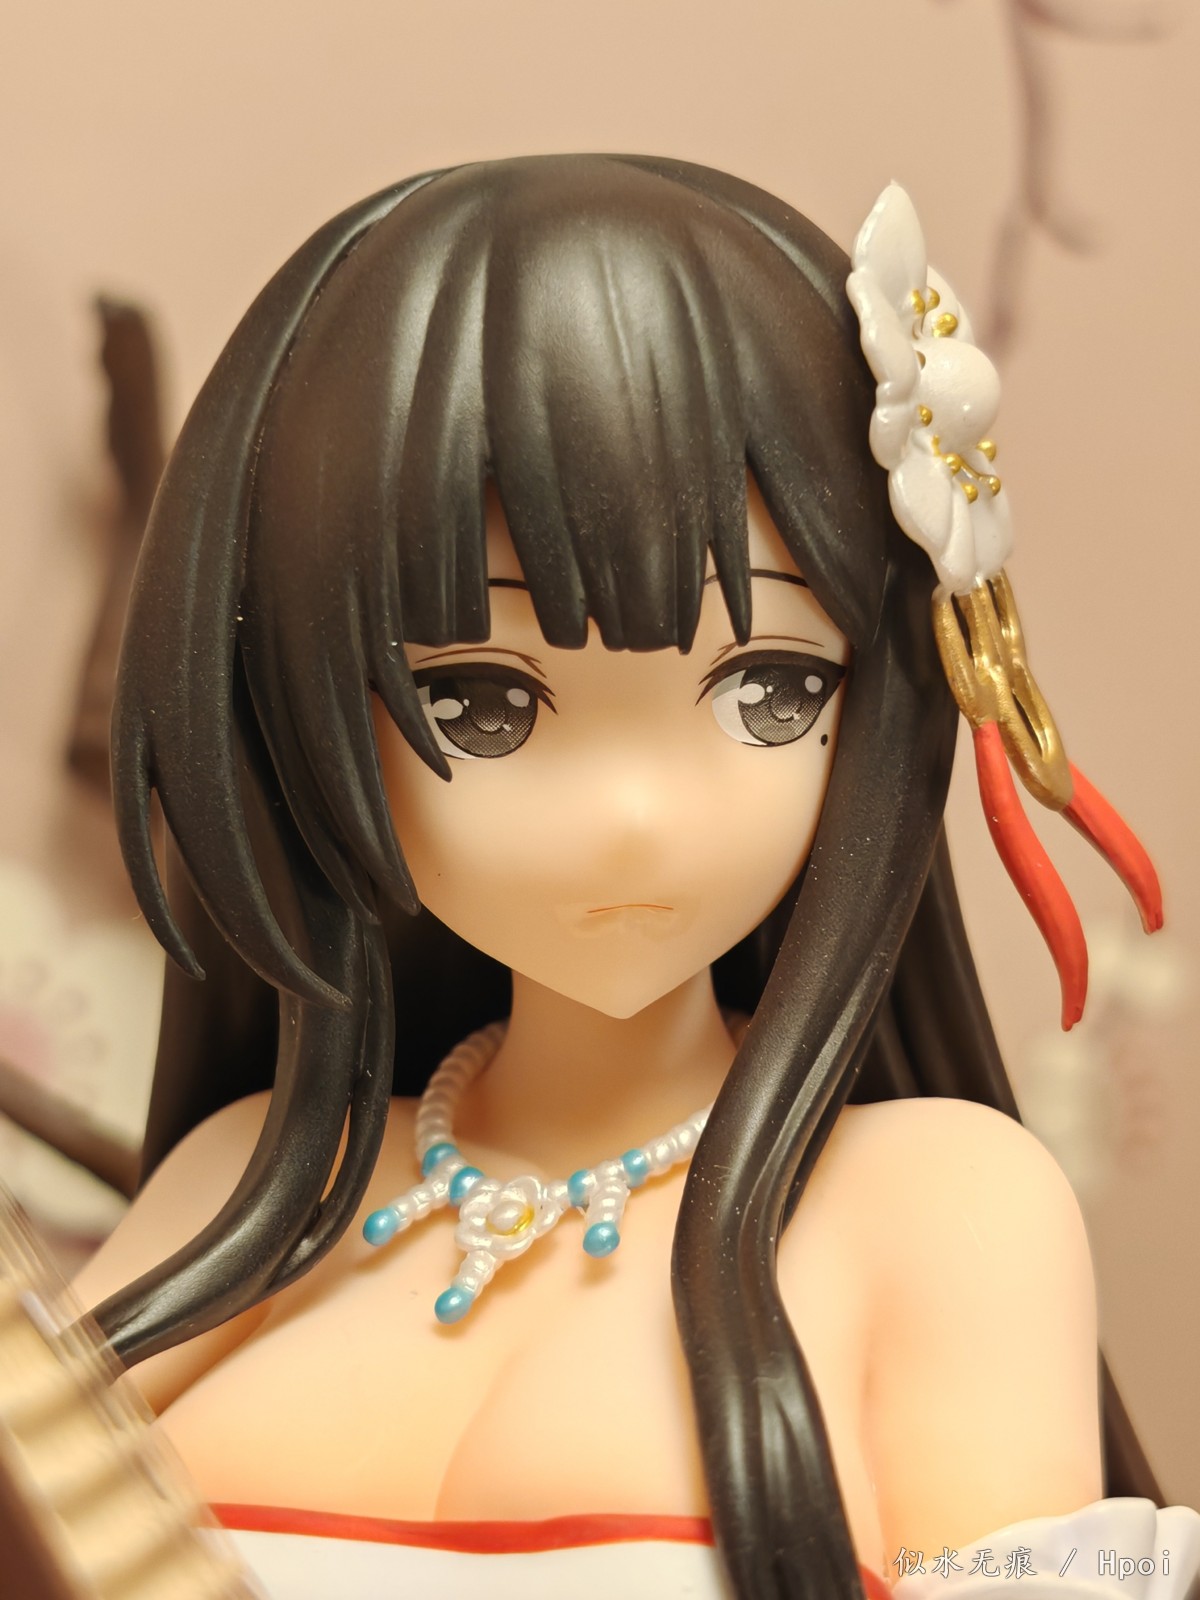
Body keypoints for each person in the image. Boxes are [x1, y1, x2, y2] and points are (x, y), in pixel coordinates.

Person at [71, 155, 1193, 1599]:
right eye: (481, 703)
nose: (631, 818)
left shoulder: (941, 1212)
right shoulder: (250, 1184)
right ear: (298, 705)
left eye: (771, 689)